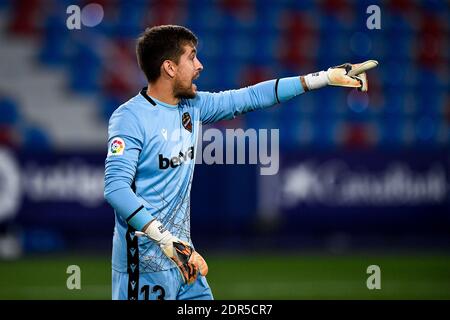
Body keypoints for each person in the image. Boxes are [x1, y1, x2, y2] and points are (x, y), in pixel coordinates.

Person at [103, 24, 377, 300]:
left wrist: (325, 77)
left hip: (186, 259)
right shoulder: (130, 118)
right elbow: (116, 189)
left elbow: (252, 96)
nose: (200, 65)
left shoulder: (192, 106)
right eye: (191, 57)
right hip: (146, 264)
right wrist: (165, 239)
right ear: (170, 68)